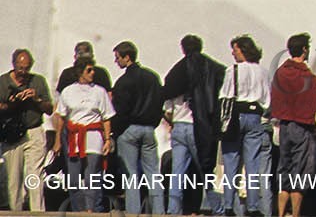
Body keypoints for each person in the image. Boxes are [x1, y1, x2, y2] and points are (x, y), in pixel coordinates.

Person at [163, 35, 225, 215]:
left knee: (177, 174)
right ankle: (218, 209)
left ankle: (173, 210)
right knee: (206, 170)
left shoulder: (176, 73)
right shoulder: (210, 69)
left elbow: (167, 108)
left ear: (183, 49)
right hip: (199, 128)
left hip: (179, 127)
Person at [218, 34, 274, 217]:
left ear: (242, 50)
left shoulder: (231, 71)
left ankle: (228, 205)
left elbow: (224, 96)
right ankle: (252, 206)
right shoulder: (263, 72)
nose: (233, 53)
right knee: (252, 164)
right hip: (255, 116)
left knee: (231, 163)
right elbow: (268, 100)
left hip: (236, 115)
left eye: (235, 49)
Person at [271, 33, 316, 217]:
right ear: (304, 50)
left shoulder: (280, 73)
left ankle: (280, 212)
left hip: (284, 125)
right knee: (299, 172)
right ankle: (295, 214)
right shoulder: (310, 78)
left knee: (284, 167)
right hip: (302, 127)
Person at [112, 40, 165, 215]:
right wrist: (153, 123)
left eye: (118, 57)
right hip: (149, 129)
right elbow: (160, 102)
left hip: (129, 130)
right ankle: (159, 211)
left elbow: (121, 111)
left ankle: (133, 212)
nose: (116, 61)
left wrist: (116, 131)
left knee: (131, 175)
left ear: (127, 57)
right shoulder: (152, 77)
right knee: (153, 173)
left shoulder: (123, 82)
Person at [54, 58, 113, 213]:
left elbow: (106, 118)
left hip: (94, 137)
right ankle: (78, 209)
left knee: (91, 177)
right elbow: (61, 117)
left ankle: (91, 210)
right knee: (73, 179)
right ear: (80, 72)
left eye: (93, 69)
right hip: (74, 138)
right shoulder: (68, 91)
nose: (92, 73)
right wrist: (57, 140)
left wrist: (107, 140)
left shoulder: (99, 91)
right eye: (89, 70)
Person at [0, 48, 53, 212]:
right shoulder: (2, 82)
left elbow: (50, 109)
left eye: (27, 68)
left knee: (34, 175)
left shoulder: (38, 81)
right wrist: (13, 103)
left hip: (33, 130)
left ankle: (38, 212)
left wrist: (36, 99)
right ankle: (15, 213)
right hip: (11, 134)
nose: (23, 72)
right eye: (20, 68)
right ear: (13, 64)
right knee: (13, 180)